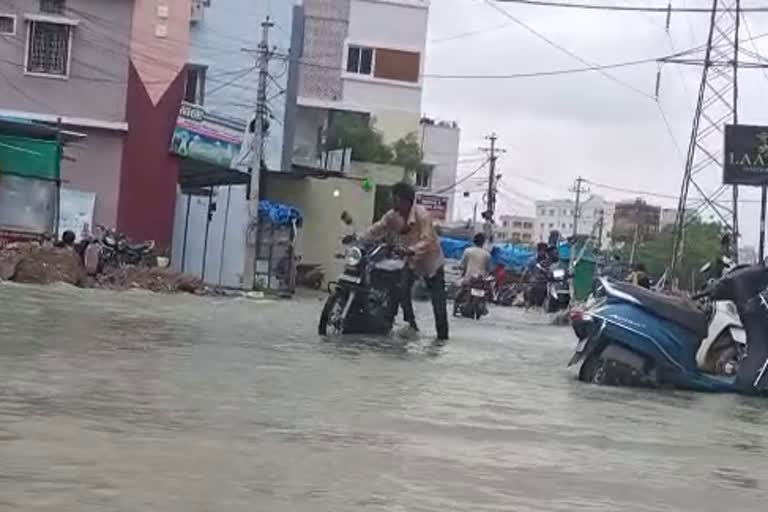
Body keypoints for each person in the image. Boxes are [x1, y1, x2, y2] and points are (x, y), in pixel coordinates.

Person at [361, 182, 449, 341]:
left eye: (395, 199)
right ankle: (410, 326)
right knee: (400, 290)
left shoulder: (422, 215)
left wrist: (410, 249)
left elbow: (427, 240)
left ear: (406, 201)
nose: (392, 203)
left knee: (438, 302)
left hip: (431, 261)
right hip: (409, 261)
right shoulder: (391, 216)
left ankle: (442, 339)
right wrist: (359, 238)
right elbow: (377, 229)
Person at [454, 233, 492, 315]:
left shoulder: (468, 251)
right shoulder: (487, 254)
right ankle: (484, 306)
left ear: (474, 241)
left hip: (469, 279)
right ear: (483, 242)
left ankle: (455, 307)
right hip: (481, 280)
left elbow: (462, 264)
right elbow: (488, 269)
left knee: (459, 294)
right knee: (486, 293)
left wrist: (461, 270)